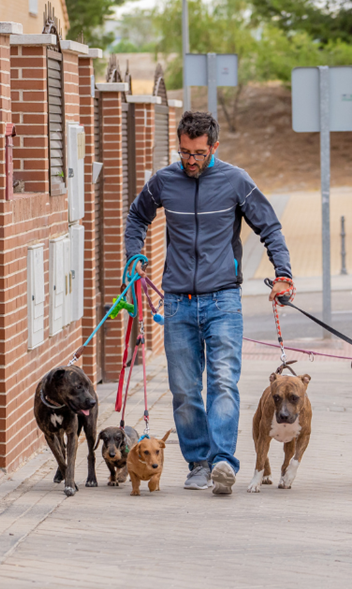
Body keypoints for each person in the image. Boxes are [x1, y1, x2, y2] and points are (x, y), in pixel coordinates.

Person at [124, 111, 294, 495]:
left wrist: (283, 274)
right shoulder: (165, 181)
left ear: (214, 147)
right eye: (184, 152)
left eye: (198, 153)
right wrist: (134, 254)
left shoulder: (236, 180)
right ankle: (198, 463)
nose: (190, 160)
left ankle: (222, 463)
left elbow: (269, 226)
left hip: (223, 300)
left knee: (222, 382)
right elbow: (136, 217)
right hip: (179, 303)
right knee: (184, 389)